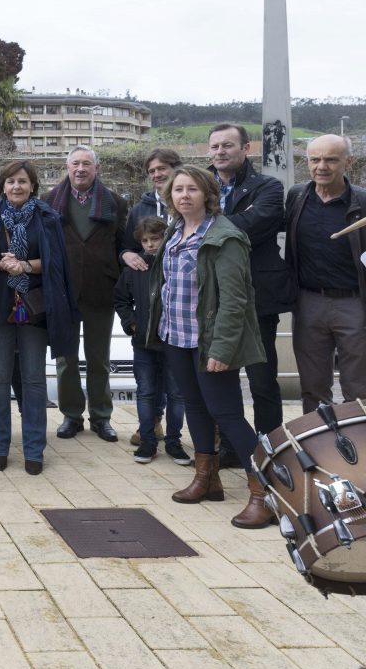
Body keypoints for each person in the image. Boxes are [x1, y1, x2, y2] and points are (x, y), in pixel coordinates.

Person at [147, 165, 272, 529]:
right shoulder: (174, 231)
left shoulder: (224, 236)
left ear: (207, 194)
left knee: (227, 413)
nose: (184, 195)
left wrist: (222, 348)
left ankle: (266, 492)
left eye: (192, 189)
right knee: (196, 409)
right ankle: (207, 479)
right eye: (178, 190)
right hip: (176, 337)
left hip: (208, 343)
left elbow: (235, 301)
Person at [0, 161, 78, 475]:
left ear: (33, 186)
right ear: (3, 186)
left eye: (22, 182)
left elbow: (57, 263)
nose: (16, 187)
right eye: (10, 182)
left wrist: (25, 266)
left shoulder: (47, 219)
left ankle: (34, 450)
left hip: (35, 309)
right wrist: (0, 264)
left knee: (33, 380)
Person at [207, 124, 293, 466]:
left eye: (228, 145)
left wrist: (213, 226)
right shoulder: (201, 185)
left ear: (246, 148)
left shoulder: (268, 186)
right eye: (215, 146)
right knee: (221, 379)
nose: (220, 151)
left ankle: (273, 452)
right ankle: (230, 448)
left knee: (262, 381)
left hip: (258, 295)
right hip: (213, 297)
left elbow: (259, 223)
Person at [44, 145, 128, 443]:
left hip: (100, 289)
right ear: (67, 168)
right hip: (63, 291)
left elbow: (123, 246)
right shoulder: (49, 201)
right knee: (65, 358)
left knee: (99, 358)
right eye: (75, 164)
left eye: (86, 164)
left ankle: (102, 417)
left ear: (97, 168)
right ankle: (71, 415)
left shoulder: (115, 203)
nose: (80, 169)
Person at [285, 134, 366, 411]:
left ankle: (361, 448)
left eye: (331, 159)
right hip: (308, 302)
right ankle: (320, 450)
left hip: (355, 302)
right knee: (313, 386)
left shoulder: (363, 202)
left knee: (359, 386)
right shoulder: (297, 197)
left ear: (348, 162)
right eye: (315, 159)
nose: (322, 166)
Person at [118, 148, 182, 447]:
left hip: (180, 318)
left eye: (162, 168)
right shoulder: (140, 208)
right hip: (144, 319)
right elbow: (127, 244)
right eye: (152, 170)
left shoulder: (187, 199)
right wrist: (128, 253)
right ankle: (151, 426)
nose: (157, 174)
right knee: (148, 384)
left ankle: (177, 436)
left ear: (175, 169)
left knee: (179, 385)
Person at [113, 216, 188, 465]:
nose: (150, 245)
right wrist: (132, 323)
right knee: (145, 392)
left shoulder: (176, 265)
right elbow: (121, 299)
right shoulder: (135, 269)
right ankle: (147, 441)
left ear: (165, 238)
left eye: (155, 239)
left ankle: (174, 442)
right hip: (144, 342)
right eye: (145, 241)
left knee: (177, 394)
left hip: (174, 340)